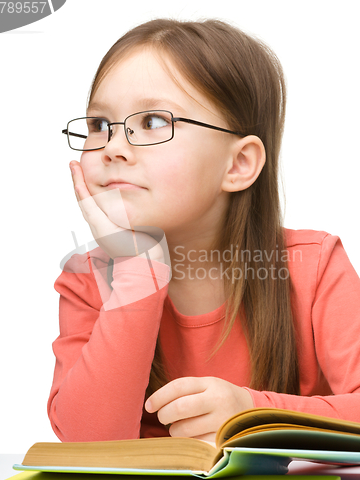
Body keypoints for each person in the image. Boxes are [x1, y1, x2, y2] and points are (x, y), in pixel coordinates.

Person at [48, 18, 360, 444]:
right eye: (100, 124)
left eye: (154, 121)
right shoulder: (87, 279)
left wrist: (254, 412)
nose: (113, 147)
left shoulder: (313, 265)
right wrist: (139, 272)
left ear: (238, 165)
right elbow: (89, 444)